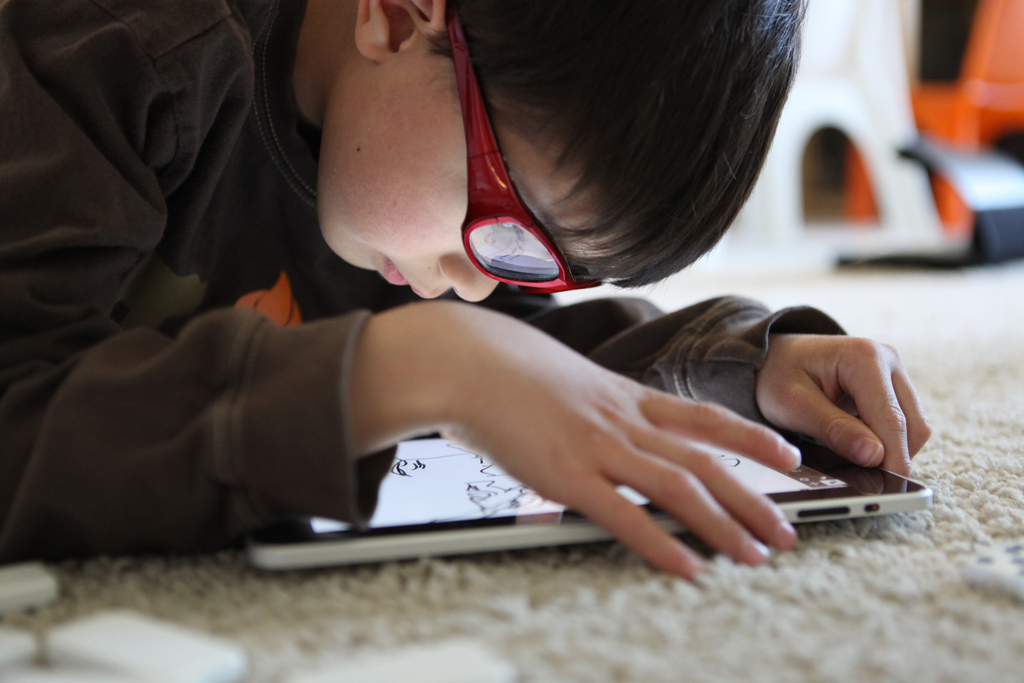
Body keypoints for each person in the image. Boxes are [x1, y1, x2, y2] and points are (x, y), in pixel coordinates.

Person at [0, 0, 930, 580]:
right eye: (508, 230)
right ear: (400, 15)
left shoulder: (400, 189)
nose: (482, 290)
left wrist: (731, 366)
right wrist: (414, 367)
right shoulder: (126, 45)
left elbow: (519, 363)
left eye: (551, 263)